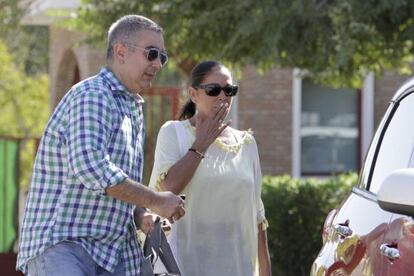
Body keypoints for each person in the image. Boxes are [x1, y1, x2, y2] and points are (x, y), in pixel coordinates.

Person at [17, 15, 185, 276]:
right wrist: (155, 200)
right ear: (120, 51)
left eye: (162, 57)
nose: (158, 64)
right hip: (65, 245)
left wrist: (141, 216)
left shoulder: (132, 107)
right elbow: (91, 168)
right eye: (152, 54)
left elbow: (118, 185)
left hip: (112, 252)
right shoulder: (93, 95)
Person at [149, 60, 272, 276]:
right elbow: (166, 191)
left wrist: (265, 271)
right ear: (193, 94)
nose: (223, 96)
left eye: (230, 90)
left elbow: (257, 216)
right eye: (214, 90)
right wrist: (201, 144)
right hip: (186, 264)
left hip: (237, 265)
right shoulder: (174, 133)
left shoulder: (246, 144)